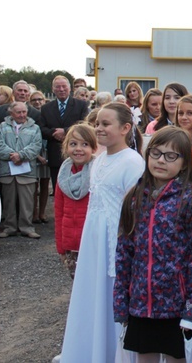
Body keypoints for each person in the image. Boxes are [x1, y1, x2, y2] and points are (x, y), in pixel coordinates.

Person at [114, 127, 192, 361]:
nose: (161, 160)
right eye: (156, 153)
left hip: (175, 305)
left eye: (171, 156)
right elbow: (124, 252)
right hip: (140, 302)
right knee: (144, 355)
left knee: (175, 357)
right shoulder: (135, 197)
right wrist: (121, 302)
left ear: (185, 163)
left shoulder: (189, 199)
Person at [59, 102, 145, 363]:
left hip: (115, 241)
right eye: (97, 123)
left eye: (106, 124)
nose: (99, 128)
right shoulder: (99, 161)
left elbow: (135, 211)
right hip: (94, 238)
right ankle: (90, 350)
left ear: (125, 128)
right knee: (92, 296)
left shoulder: (132, 162)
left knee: (112, 299)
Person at [0, 101, 43, 239]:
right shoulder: (3, 127)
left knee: (27, 202)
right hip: (7, 171)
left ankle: (27, 227)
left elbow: (36, 146)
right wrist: (12, 155)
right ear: (11, 113)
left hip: (27, 171)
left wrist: (21, 155)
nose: (22, 115)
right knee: (9, 201)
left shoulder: (35, 128)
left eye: (24, 112)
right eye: (18, 112)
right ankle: (9, 227)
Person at [55, 123, 97, 279]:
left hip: (91, 244)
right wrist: (61, 247)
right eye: (73, 144)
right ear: (66, 148)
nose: (78, 148)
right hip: (70, 245)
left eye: (84, 144)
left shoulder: (97, 174)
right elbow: (59, 213)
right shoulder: (63, 176)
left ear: (94, 148)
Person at [39, 76, 90, 190]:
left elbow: (84, 125)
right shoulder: (46, 108)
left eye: (64, 86)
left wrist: (66, 131)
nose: (61, 89)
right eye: (58, 87)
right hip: (55, 155)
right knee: (58, 189)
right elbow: (42, 129)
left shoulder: (81, 105)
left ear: (70, 88)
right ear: (53, 89)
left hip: (77, 154)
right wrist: (54, 133)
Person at [29, 91, 52, 224]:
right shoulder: (29, 116)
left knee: (45, 183)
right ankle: (34, 212)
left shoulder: (48, 114)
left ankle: (42, 212)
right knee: (34, 185)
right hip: (33, 151)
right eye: (34, 100)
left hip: (47, 150)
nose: (37, 102)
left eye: (40, 99)